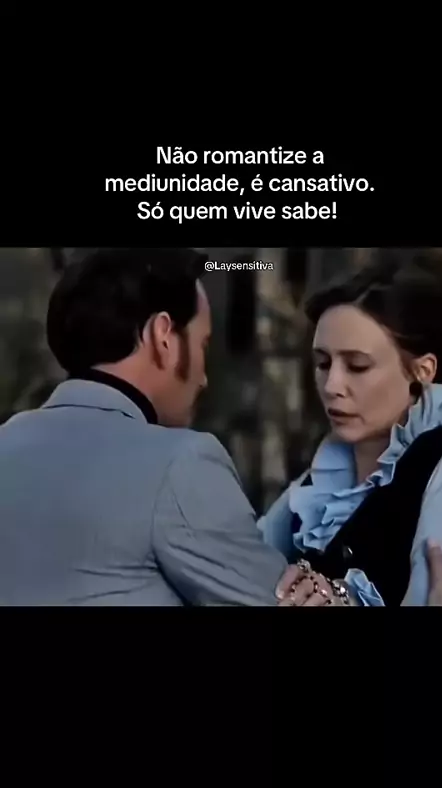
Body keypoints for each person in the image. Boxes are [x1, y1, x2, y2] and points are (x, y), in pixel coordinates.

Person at [0, 248, 288, 605]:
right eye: (202, 344)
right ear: (162, 336)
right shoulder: (180, 462)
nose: (203, 378)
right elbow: (277, 599)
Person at [260, 261, 442, 606]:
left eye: (357, 366)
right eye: (323, 363)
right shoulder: (319, 483)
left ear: (423, 371)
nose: (332, 386)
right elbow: (242, 563)